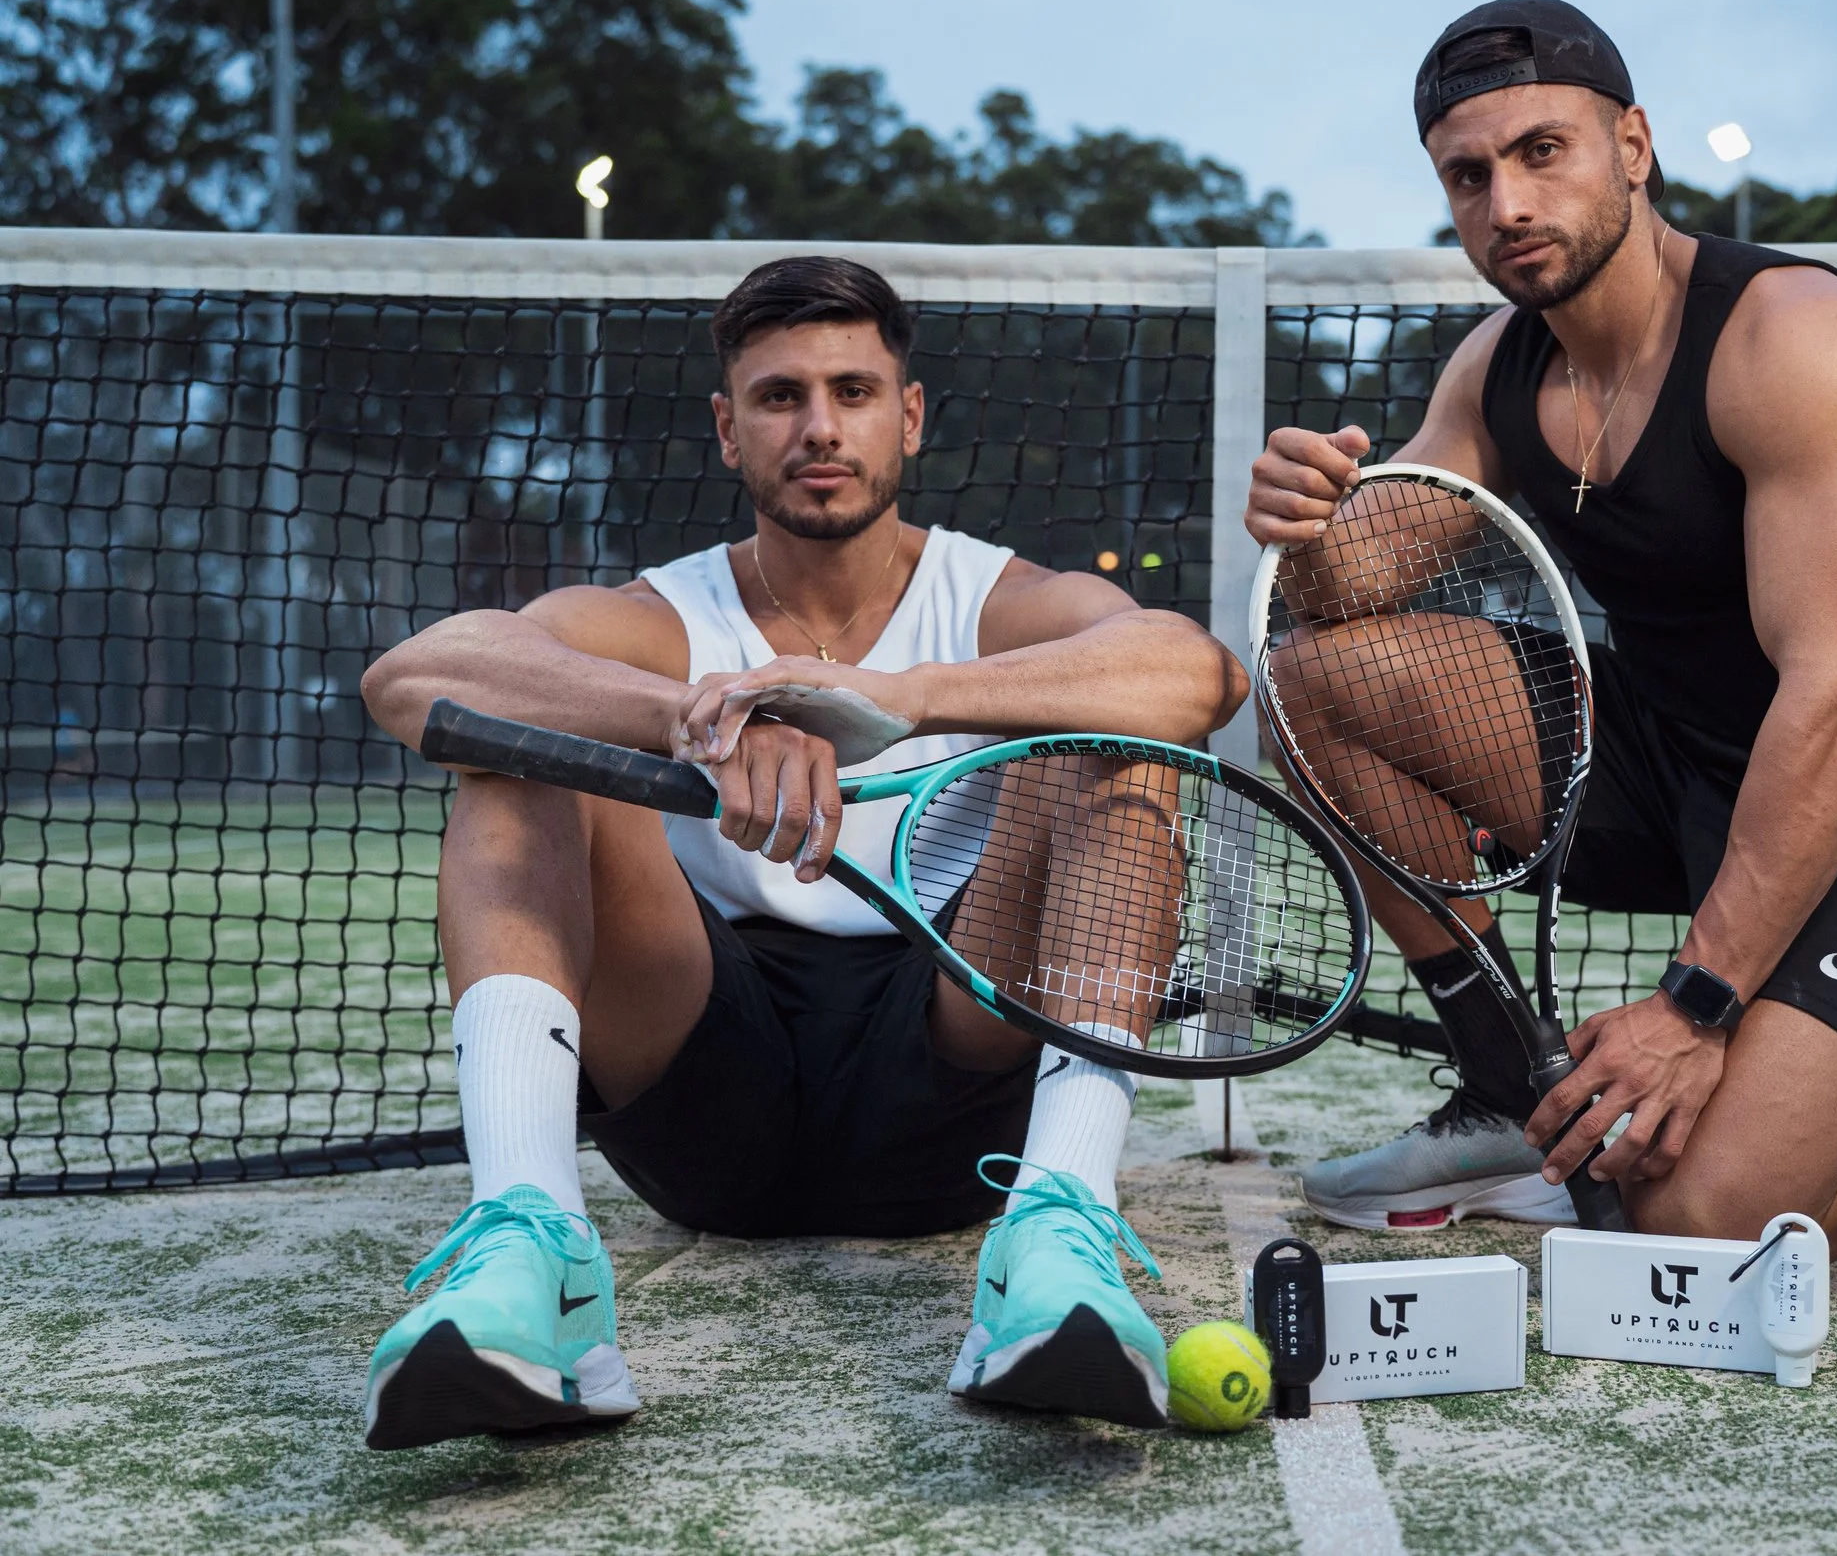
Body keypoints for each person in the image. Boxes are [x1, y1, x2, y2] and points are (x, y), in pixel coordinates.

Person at [1244, 0, 1837, 1254]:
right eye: (1469, 175)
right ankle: (1504, 1088)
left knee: (1695, 1216)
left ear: (1633, 147)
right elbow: (1347, 588)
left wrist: (1693, 1006)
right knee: (1307, 683)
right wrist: (1308, 522)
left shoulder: (1793, 341)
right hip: (1668, 756)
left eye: (1543, 151)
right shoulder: (1495, 366)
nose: (1507, 203)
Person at [357, 255, 1243, 1447]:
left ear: (908, 415)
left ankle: (1057, 1233)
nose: (819, 426)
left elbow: (1198, 675)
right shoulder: (666, 616)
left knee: (1114, 739)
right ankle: (532, 1256)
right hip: (701, 1090)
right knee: (516, 747)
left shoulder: (996, 600)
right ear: (729, 430)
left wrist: (904, 695)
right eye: (779, 396)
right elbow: (412, 677)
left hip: (953, 1082)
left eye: (852, 391)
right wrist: (703, 716)